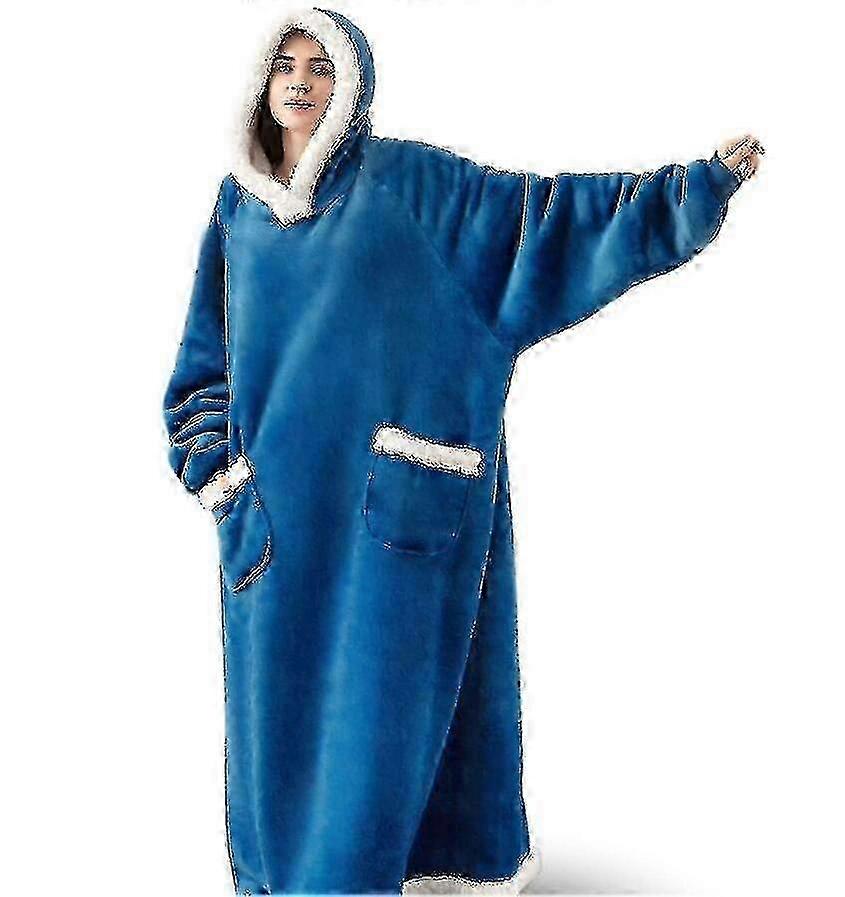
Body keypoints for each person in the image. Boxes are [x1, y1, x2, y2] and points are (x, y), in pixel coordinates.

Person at [161, 7, 763, 896]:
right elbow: (200, 372)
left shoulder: (414, 189)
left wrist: (692, 189)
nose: (300, 81)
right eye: (285, 64)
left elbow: (545, 225)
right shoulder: (236, 211)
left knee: (381, 721)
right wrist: (222, 477)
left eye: (320, 67)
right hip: (275, 529)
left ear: (350, 87)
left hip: (390, 526)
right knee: (277, 729)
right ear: (261, 81)